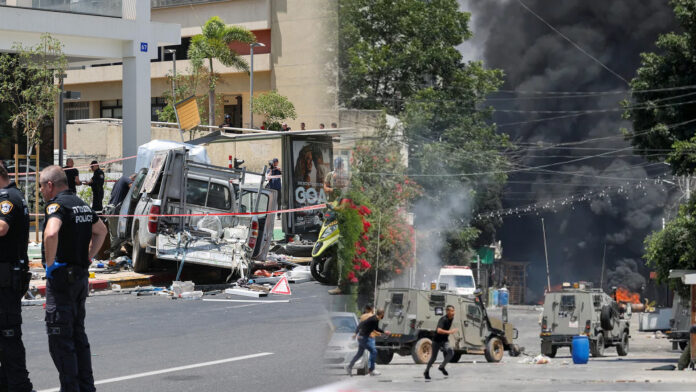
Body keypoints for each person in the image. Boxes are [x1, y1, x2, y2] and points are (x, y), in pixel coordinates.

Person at [40, 165, 107, 392]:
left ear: (50, 185)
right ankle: (86, 388)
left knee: (61, 340)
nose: (41, 192)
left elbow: (51, 232)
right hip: (79, 279)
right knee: (78, 337)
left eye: (41, 187)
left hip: (62, 281)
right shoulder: (82, 204)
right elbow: (101, 231)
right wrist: (87, 257)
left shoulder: (56, 205)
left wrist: (50, 265)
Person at [0, 165, 34, 392]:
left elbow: (1, 227)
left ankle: (20, 386)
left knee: (8, 335)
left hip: (6, 278)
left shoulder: (8, 197)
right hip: (7, 276)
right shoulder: (15, 194)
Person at [346, 309, 390, 377]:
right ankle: (371, 370)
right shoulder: (373, 319)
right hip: (363, 338)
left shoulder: (375, 319)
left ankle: (349, 367)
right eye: (383, 314)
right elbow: (361, 324)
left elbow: (376, 328)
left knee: (359, 354)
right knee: (374, 351)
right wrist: (355, 333)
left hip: (363, 337)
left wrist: (384, 332)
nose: (383, 316)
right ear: (381, 314)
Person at [424, 304, 458, 380]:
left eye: (454, 311)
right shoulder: (443, 319)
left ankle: (442, 367)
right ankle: (426, 371)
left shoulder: (451, 318)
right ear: (447, 311)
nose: (453, 312)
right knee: (433, 358)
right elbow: (438, 330)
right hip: (437, 340)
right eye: (451, 311)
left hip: (445, 340)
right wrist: (449, 332)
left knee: (451, 352)